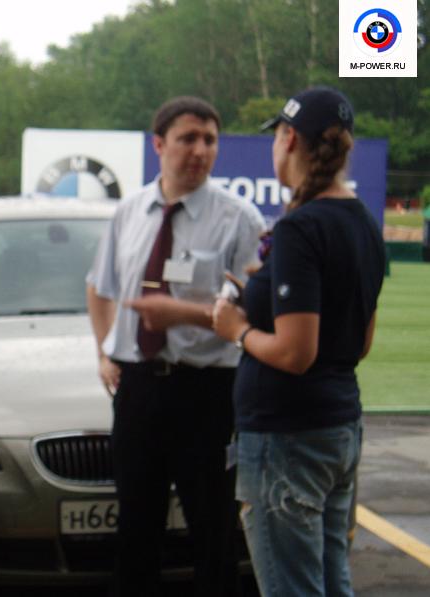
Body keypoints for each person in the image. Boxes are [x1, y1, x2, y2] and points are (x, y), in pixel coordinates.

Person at [87, 96, 265, 597]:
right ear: (159, 145)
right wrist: (103, 352)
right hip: (139, 389)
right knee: (135, 530)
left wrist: (180, 313)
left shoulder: (239, 218)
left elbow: (252, 312)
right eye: (188, 138)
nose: (200, 150)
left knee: (212, 532)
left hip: (207, 392)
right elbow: (99, 287)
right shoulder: (129, 211)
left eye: (210, 140)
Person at [212, 86, 386, 597]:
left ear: (288, 139)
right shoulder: (363, 221)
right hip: (338, 424)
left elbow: (295, 352)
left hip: (289, 434)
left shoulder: (301, 228)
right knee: (331, 582)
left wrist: (237, 330)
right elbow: (360, 342)